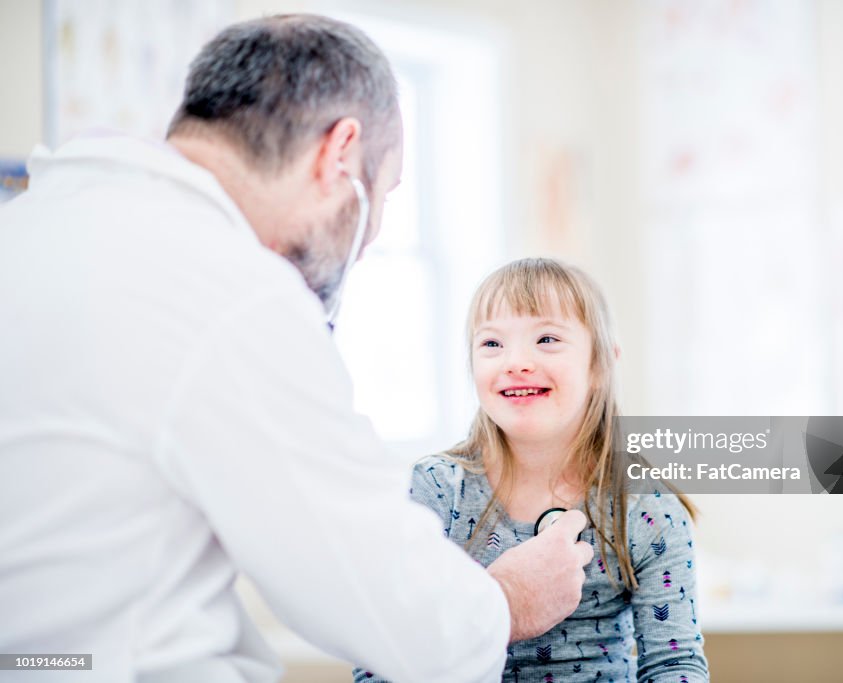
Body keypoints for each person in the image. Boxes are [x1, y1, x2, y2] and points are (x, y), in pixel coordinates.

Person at [0, 15, 593, 683]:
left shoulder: (32, 227)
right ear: (340, 153)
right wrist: (511, 596)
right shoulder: (230, 290)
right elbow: (404, 618)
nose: (371, 239)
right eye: (387, 190)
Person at [355, 258, 710, 682]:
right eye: (491, 344)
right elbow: (380, 660)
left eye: (546, 338)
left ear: (600, 365)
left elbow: (675, 665)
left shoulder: (646, 508)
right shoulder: (431, 491)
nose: (516, 361)